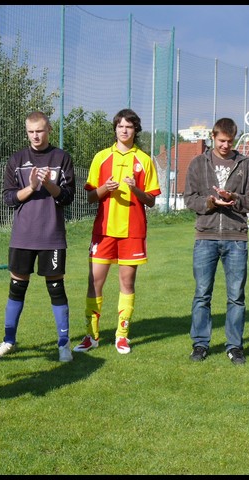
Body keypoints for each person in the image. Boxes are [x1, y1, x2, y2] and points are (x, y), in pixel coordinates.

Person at [0, 111, 76, 362]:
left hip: (52, 236)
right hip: (23, 236)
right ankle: (9, 340)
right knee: (17, 288)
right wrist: (31, 187)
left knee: (56, 289)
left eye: (39, 130)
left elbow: (68, 197)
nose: (35, 136)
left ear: (49, 129)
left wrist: (48, 184)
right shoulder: (17, 160)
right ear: (26, 132)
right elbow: (8, 198)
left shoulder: (61, 158)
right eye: (31, 131)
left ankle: (63, 345)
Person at [73, 108, 161, 355]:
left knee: (127, 283)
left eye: (129, 127)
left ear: (135, 130)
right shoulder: (101, 157)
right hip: (103, 231)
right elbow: (90, 197)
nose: (124, 130)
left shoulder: (144, 160)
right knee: (94, 282)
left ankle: (122, 336)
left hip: (133, 232)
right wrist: (105, 188)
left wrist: (135, 190)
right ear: (115, 129)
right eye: (120, 126)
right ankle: (91, 337)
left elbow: (151, 201)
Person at [184, 117, 249, 365]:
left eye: (230, 141)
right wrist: (210, 202)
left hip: (236, 238)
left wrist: (234, 198)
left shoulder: (246, 165)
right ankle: (200, 344)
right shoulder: (198, 163)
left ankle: (234, 346)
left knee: (236, 296)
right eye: (221, 141)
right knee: (202, 294)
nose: (226, 145)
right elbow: (189, 199)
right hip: (205, 236)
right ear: (213, 137)